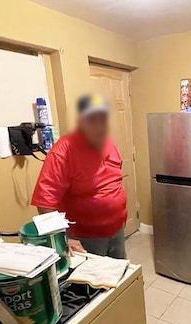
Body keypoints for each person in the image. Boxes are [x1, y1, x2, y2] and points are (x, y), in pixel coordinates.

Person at [31, 93, 127, 259]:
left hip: (116, 230)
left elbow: (114, 182)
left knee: (120, 279)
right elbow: (45, 202)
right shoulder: (63, 151)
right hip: (85, 238)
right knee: (94, 283)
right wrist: (64, 238)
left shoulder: (109, 143)